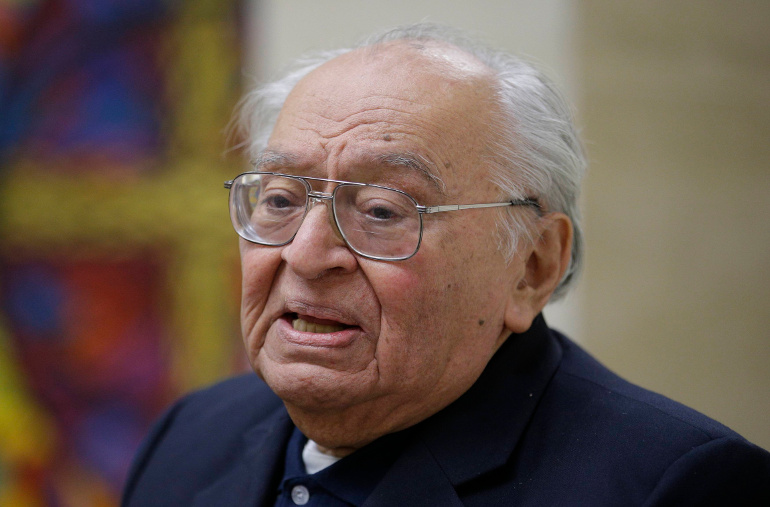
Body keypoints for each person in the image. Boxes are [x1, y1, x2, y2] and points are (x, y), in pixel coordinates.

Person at [122, 24, 770, 506]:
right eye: (282, 198)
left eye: (381, 210)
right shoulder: (191, 435)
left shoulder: (675, 485)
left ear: (533, 266)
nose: (306, 253)